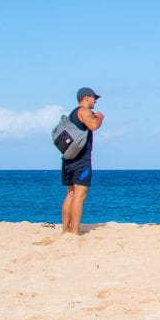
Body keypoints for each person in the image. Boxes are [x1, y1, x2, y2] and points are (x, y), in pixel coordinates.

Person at [60, 87, 104, 235]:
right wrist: (99, 117)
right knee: (80, 195)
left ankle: (65, 230)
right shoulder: (84, 111)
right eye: (94, 98)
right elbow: (93, 125)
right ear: (86, 98)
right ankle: (74, 232)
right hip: (81, 160)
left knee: (71, 194)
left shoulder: (72, 114)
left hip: (69, 159)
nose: (96, 101)